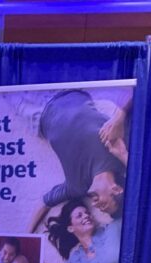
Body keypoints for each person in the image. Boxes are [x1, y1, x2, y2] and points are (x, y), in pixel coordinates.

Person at [29, 89, 129, 230]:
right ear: (117, 189)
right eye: (103, 205)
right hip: (73, 90)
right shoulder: (119, 152)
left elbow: (45, 202)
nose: (94, 205)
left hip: (37, 111)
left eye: (100, 208)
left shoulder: (77, 187)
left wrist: (25, 236)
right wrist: (120, 117)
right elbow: (135, 92)